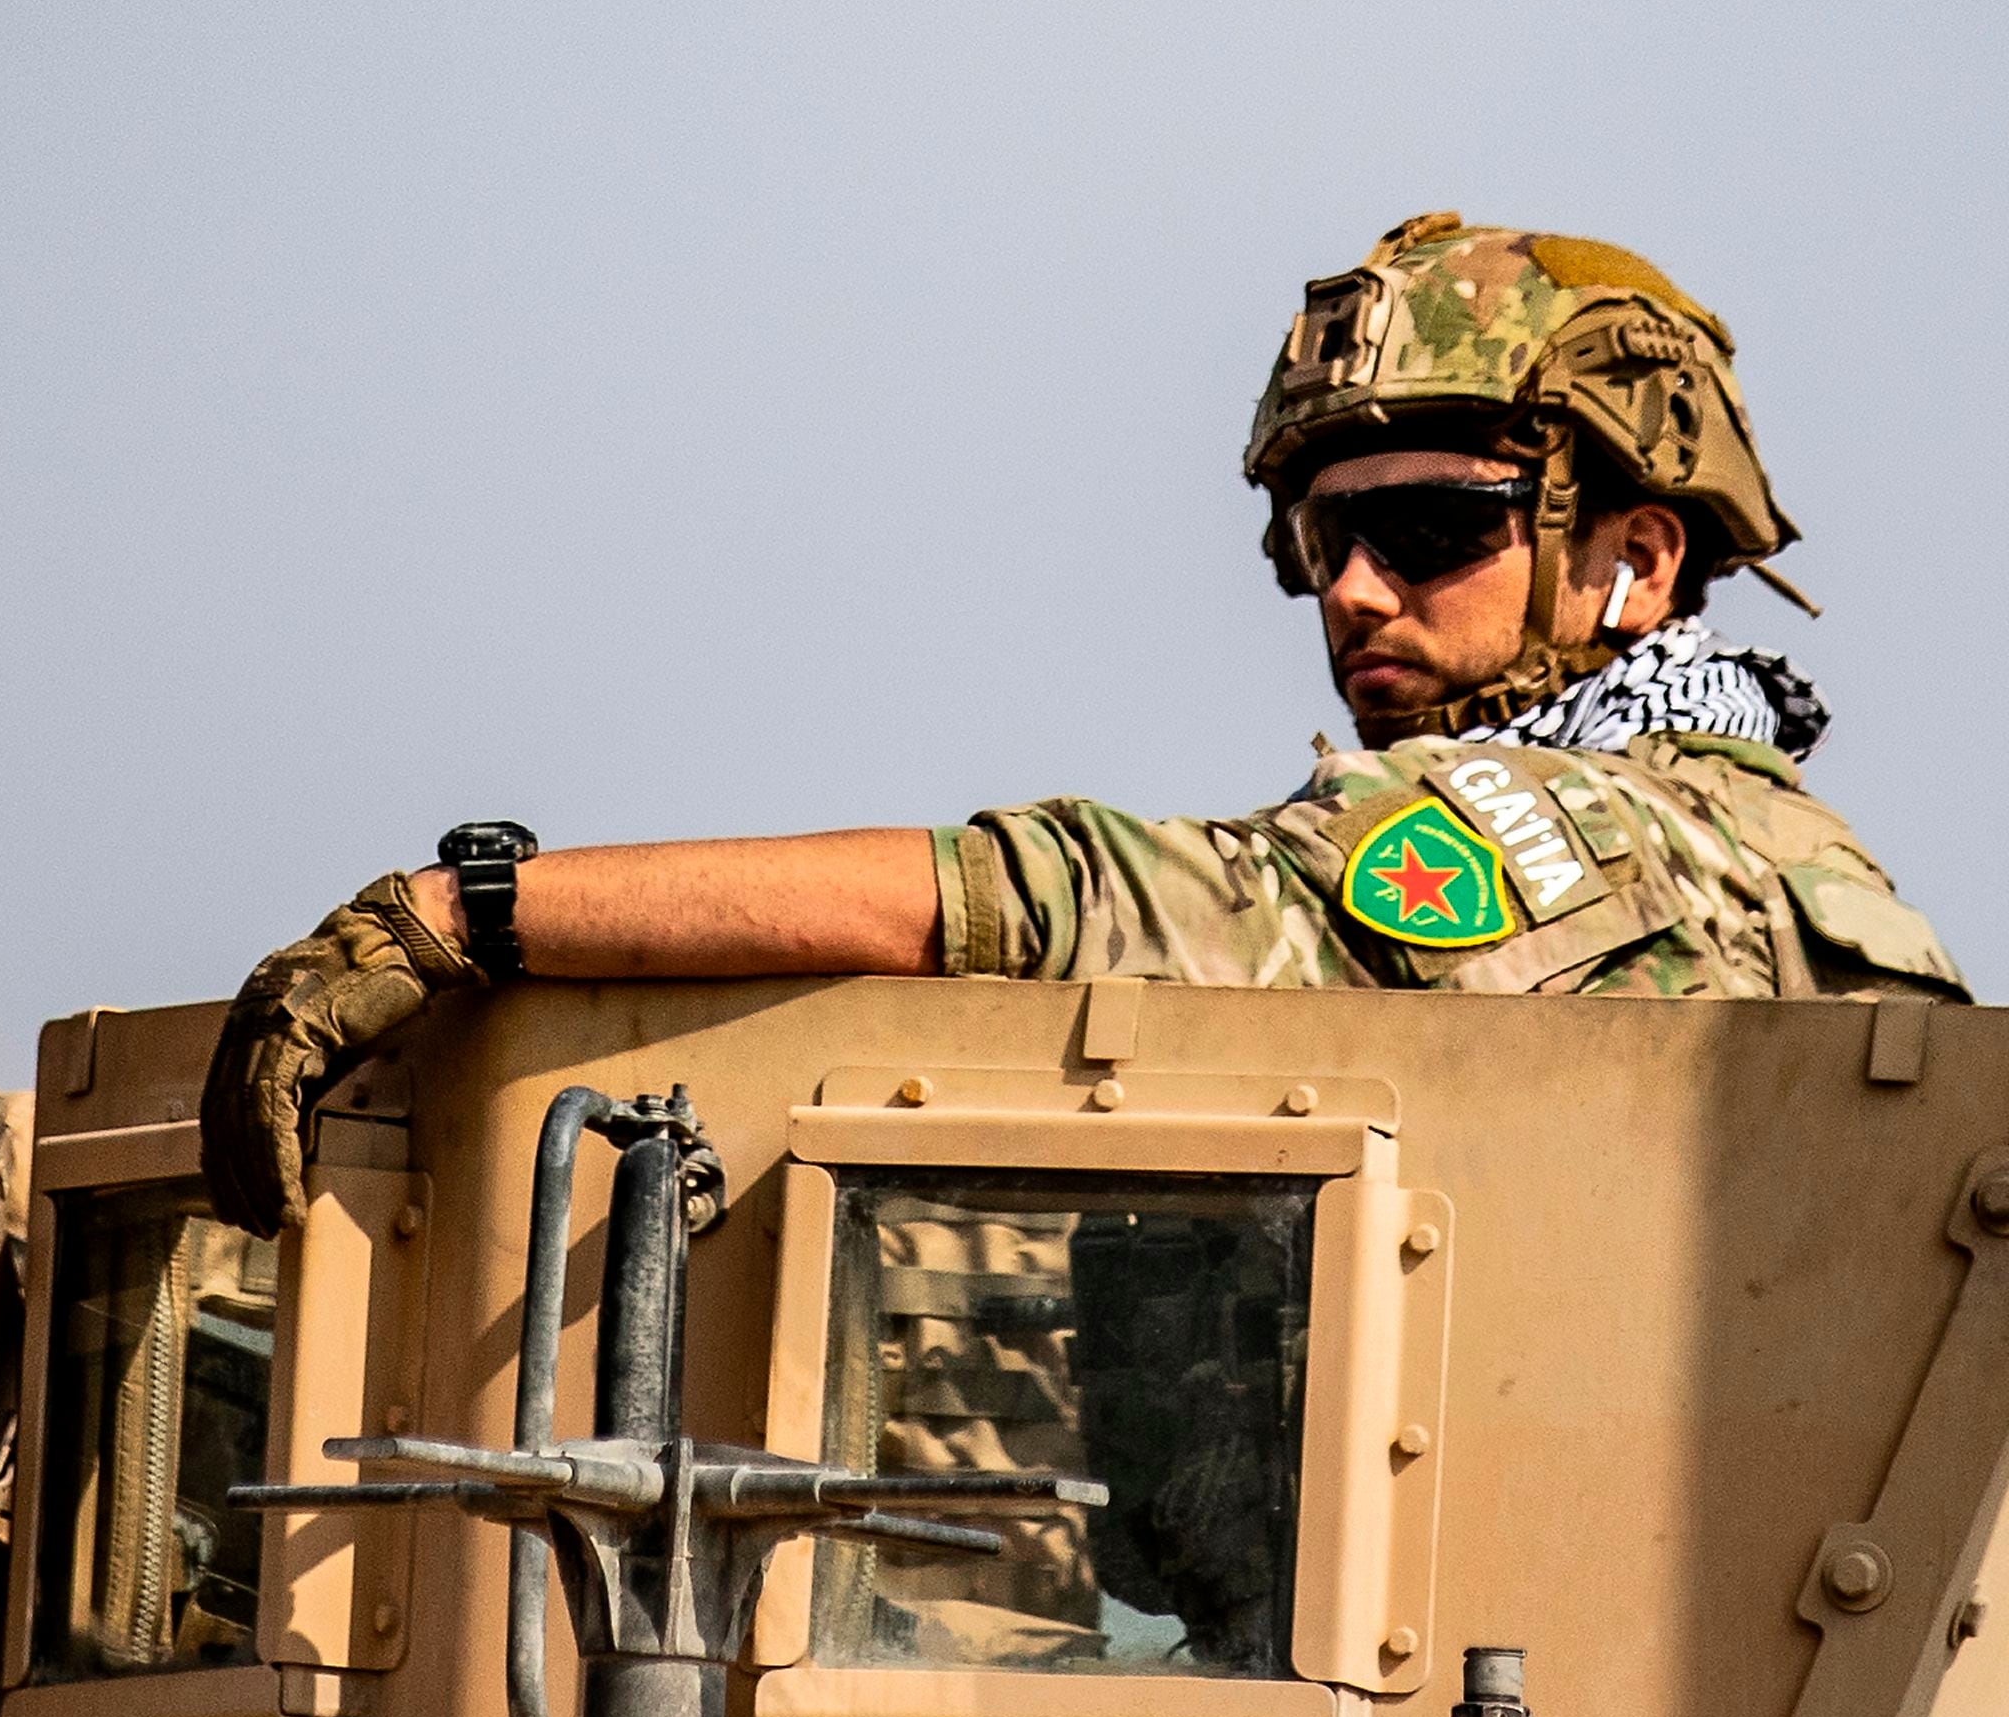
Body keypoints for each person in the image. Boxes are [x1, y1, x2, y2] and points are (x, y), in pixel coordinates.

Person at [198, 213, 1969, 1242]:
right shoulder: (1815, 864)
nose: (1353, 591)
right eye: (1315, 539)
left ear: (1635, 561)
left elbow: (1052, 903)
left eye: (1428, 530)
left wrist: (465, 914)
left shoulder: (1557, 839)